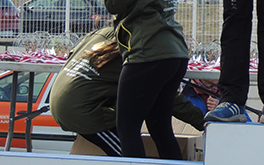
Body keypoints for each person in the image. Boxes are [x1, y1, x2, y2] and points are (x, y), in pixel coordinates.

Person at [101, 0, 190, 158]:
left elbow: (112, 1)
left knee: (127, 126)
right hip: (174, 52)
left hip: (147, 53)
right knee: (160, 126)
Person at [50, 27, 205, 157]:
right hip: (80, 111)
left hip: (59, 98)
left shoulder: (103, 33)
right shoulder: (139, 52)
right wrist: (204, 123)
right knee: (127, 154)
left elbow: (71, 56)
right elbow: (169, 99)